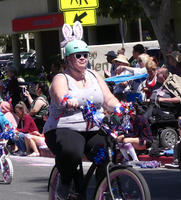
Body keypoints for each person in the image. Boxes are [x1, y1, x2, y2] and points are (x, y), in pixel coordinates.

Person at [43, 21, 122, 199]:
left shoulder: (94, 75)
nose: (83, 58)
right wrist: (67, 100)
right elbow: (59, 94)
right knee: (73, 151)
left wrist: (118, 107)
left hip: (93, 127)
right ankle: (64, 182)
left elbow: (108, 98)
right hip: (64, 127)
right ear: (68, 59)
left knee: (104, 154)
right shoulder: (61, 78)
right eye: (78, 55)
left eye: (85, 55)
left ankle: (105, 190)